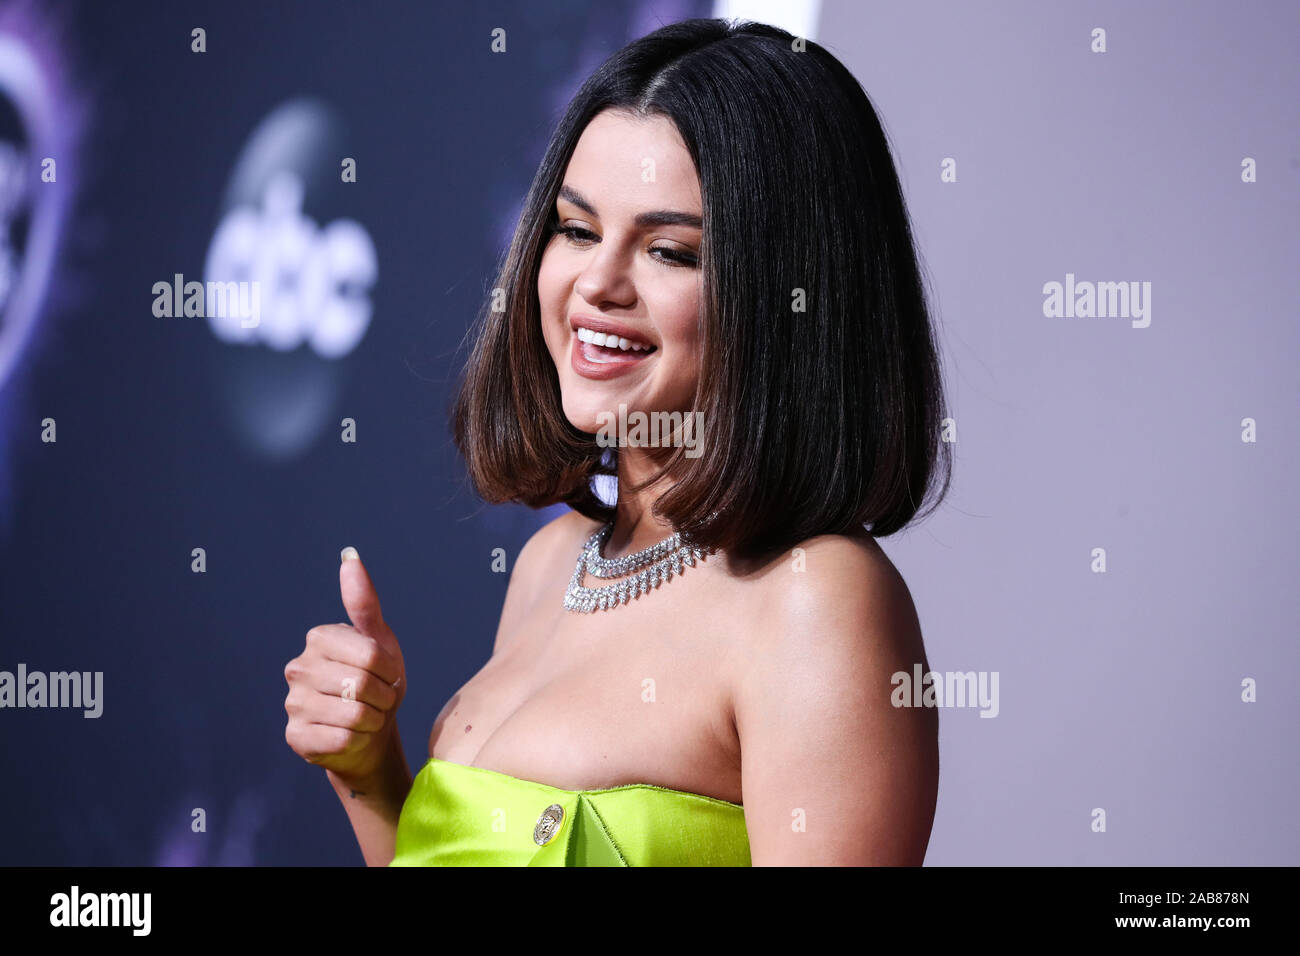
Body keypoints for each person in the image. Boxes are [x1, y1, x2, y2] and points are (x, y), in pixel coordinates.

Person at [284, 16, 952, 866]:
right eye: (577, 230)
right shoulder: (548, 567)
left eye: (669, 250)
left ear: (795, 296)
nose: (598, 283)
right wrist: (369, 773)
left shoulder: (818, 602)